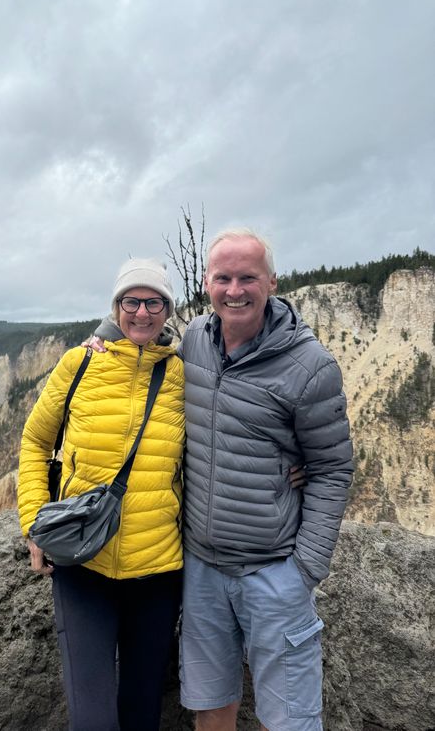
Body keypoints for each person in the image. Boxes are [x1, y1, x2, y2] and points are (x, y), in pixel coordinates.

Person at [178, 228, 354, 731]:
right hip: (203, 570)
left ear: (272, 282)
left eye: (248, 277)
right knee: (210, 708)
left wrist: (304, 571)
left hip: (273, 573)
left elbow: (331, 467)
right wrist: (102, 334)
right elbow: (137, 336)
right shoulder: (194, 340)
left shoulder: (309, 366)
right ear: (207, 285)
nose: (235, 290)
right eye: (224, 278)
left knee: (291, 721)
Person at [17, 259, 186, 731]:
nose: (142, 312)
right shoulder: (80, 362)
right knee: (92, 719)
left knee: (141, 714)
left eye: (155, 302)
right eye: (131, 301)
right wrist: (34, 524)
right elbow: (34, 442)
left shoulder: (182, 375)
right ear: (116, 307)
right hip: (83, 566)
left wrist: (289, 464)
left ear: (167, 310)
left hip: (157, 572)